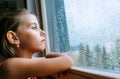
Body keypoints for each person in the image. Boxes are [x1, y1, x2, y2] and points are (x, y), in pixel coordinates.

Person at [0, 9, 74, 79]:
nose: (43, 32)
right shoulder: (10, 66)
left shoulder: (28, 61)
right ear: (13, 38)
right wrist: (52, 56)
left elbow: (50, 60)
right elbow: (68, 61)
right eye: (34, 27)